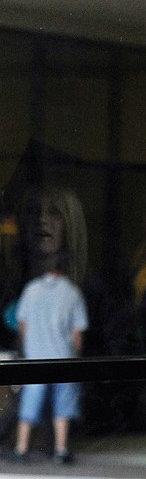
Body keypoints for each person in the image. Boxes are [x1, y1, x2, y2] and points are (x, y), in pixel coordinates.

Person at [10, 187, 89, 464]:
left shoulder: (32, 290)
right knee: (62, 408)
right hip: (63, 357)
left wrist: (27, 347)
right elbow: (78, 334)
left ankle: (21, 448)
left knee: (30, 407)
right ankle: (61, 449)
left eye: (54, 213)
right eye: (36, 213)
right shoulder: (72, 292)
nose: (43, 222)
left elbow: (23, 325)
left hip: (37, 358)